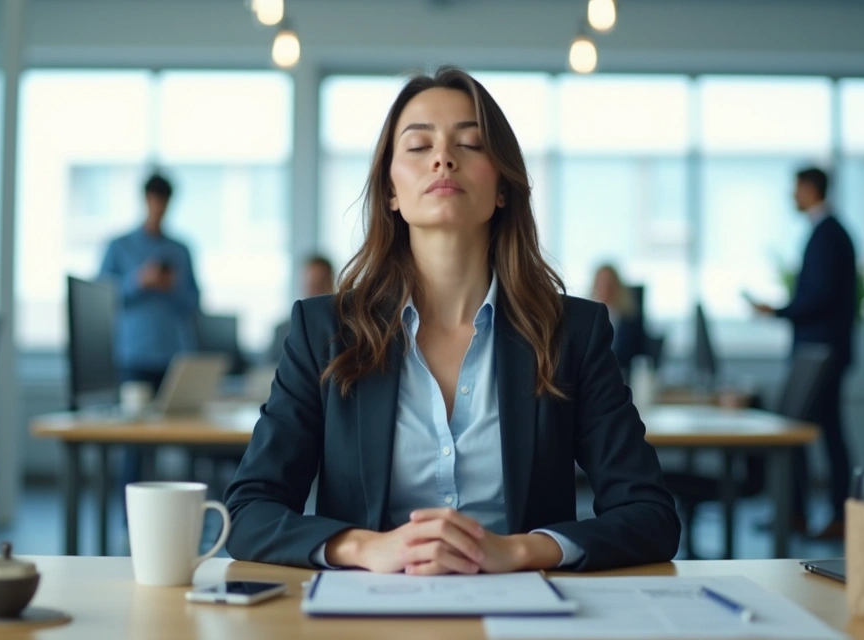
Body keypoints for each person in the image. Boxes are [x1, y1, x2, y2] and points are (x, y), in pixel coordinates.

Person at [224, 67, 680, 574]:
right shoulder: (325, 331)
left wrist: (519, 550)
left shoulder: (572, 332)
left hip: (521, 602)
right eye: (419, 146)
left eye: (469, 143)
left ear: (502, 186)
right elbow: (249, 511)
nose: (443, 158)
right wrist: (364, 548)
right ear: (391, 191)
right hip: (366, 604)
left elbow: (650, 516)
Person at [749, 167, 857, 540]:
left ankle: (831, 514)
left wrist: (778, 311)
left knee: (809, 432)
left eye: (795, 189)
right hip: (820, 352)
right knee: (814, 431)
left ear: (810, 189)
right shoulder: (825, 231)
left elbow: (820, 297)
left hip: (821, 354)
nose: (792, 196)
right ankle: (797, 510)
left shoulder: (828, 234)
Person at [98, 173, 200, 487]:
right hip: (134, 356)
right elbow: (102, 297)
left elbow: (194, 301)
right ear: (146, 200)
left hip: (173, 356)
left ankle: (184, 507)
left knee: (185, 438)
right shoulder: (119, 246)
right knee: (135, 443)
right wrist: (139, 281)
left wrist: (172, 287)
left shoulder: (181, 250)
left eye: (164, 201)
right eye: (155, 200)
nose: (159, 207)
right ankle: (131, 514)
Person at [266, 255, 335, 364]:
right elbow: (270, 368)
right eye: (310, 285)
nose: (314, 292)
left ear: (331, 284)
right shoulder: (282, 330)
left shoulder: (342, 328)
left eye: (320, 285)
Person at [590, 264, 646, 378]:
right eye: (602, 283)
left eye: (609, 284)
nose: (605, 288)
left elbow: (639, 352)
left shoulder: (630, 318)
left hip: (623, 375)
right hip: (593, 376)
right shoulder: (587, 316)